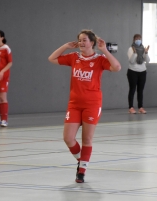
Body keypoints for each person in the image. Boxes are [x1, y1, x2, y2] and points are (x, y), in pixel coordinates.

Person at [48, 29, 121, 183]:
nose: (81, 43)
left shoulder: (100, 59)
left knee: (87, 139)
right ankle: (82, 161)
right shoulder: (74, 57)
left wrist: (104, 50)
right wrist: (65, 46)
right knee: (68, 138)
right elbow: (51, 58)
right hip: (74, 104)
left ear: (92, 43)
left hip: (92, 104)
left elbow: (117, 67)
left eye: (84, 40)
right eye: (79, 40)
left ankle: (81, 171)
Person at [127, 34, 150, 114]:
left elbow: (147, 60)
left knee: (140, 90)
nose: (138, 40)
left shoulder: (143, 49)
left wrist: (146, 53)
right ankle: (131, 107)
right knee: (132, 89)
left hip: (142, 71)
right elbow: (132, 61)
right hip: (132, 71)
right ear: (134, 40)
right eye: (137, 38)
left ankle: (140, 107)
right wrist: (134, 53)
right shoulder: (131, 49)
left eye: (139, 38)